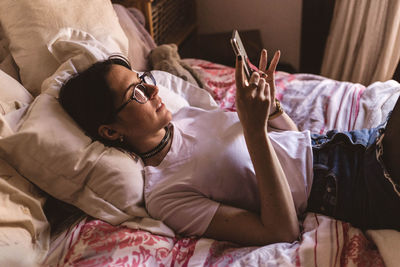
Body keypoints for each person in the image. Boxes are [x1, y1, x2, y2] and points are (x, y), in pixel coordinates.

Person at [59, 50, 400, 246]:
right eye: (135, 93)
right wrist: (252, 129)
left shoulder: (185, 116)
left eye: (144, 79)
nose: (152, 91)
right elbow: (282, 231)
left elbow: (294, 144)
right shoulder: (165, 194)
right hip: (353, 186)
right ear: (111, 130)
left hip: (351, 144)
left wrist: (272, 110)